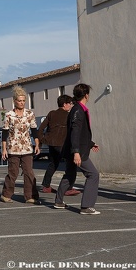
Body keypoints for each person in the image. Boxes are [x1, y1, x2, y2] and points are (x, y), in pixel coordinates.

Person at [54, 83, 100, 215]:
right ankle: (86, 206)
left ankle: (58, 201)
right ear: (86, 95)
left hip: (74, 148)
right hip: (77, 150)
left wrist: (91, 143)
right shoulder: (78, 111)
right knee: (93, 174)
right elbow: (75, 132)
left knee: (70, 174)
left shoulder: (78, 109)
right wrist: (76, 153)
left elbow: (81, 133)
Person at [0, 85, 41, 205]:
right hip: (13, 148)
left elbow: (34, 130)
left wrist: (37, 145)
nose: (22, 103)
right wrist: (4, 149)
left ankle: (30, 196)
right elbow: (5, 133)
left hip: (27, 147)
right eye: (19, 100)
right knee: (13, 173)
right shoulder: (9, 115)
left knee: (29, 172)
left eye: (24, 101)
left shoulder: (29, 114)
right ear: (14, 101)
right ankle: (6, 194)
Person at [38, 95, 81, 196]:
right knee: (71, 165)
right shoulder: (69, 115)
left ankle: (46, 185)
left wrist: (42, 139)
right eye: (70, 103)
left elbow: (41, 128)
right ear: (65, 104)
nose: (71, 106)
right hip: (62, 144)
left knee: (53, 164)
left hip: (51, 143)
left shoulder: (52, 113)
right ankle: (68, 188)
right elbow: (74, 131)